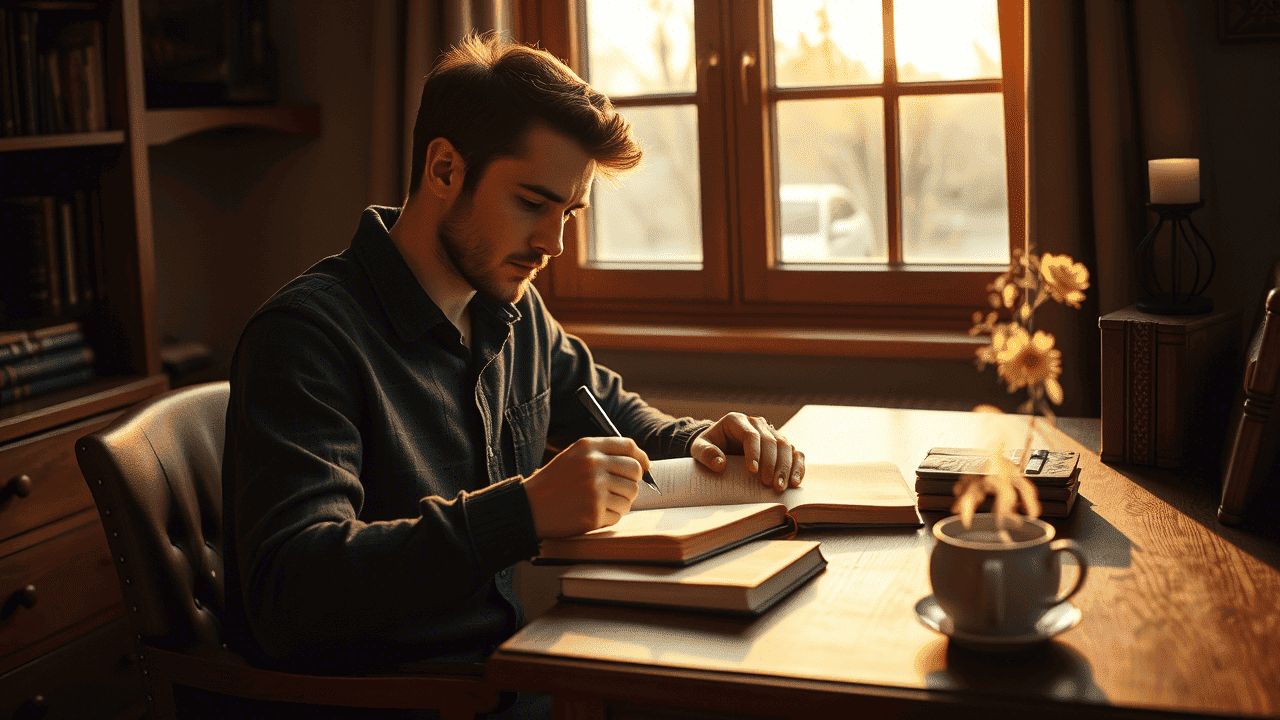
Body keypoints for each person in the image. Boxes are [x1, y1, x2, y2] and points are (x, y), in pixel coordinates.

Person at [221, 34, 805, 715]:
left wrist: (706, 440)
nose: (553, 243)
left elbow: (615, 414)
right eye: (532, 203)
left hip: (520, 673)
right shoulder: (306, 337)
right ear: (445, 169)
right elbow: (290, 590)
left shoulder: (513, 308)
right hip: (403, 700)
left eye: (570, 213)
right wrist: (522, 512)